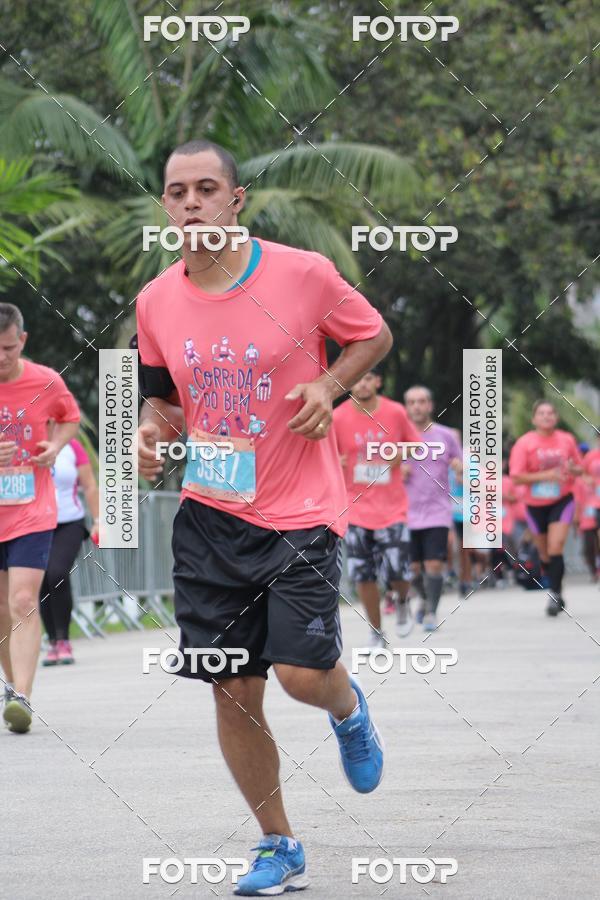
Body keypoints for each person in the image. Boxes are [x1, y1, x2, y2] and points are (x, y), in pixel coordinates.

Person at [134, 139, 393, 895]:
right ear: (166, 206)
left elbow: (372, 333)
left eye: (206, 188)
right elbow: (163, 401)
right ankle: (277, 844)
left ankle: (347, 708)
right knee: (231, 685)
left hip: (303, 511)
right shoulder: (155, 301)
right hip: (211, 511)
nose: (191, 202)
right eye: (177, 191)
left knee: (301, 676)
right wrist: (152, 437)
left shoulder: (302, 275)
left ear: (235, 200)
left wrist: (331, 387)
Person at [0, 303, 80, 733]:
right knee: (0, 607)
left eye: (8, 348)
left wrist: (55, 446)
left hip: (32, 511)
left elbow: (69, 418)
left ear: (22, 341)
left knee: (23, 601)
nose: (1, 357)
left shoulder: (46, 380)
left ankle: (23, 696)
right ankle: (11, 686)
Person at [333, 368, 420, 645]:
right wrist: (339, 462)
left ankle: (403, 601)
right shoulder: (337, 417)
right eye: (357, 378)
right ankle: (376, 631)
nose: (361, 383)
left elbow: (415, 446)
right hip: (355, 508)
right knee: (363, 573)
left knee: (397, 569)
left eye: (368, 377)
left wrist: (395, 455)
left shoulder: (395, 412)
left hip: (392, 508)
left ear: (378, 382)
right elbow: (326, 455)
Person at [509, 400, 583, 616]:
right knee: (545, 553)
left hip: (562, 499)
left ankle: (555, 594)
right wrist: (546, 475)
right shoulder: (525, 443)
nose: (546, 417)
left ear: (556, 418)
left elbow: (579, 469)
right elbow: (516, 476)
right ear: (534, 419)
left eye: (550, 413)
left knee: (556, 545)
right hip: (535, 504)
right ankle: (554, 587)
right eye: (541, 413)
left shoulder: (566, 440)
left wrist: (573, 468)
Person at [403, 386, 462, 631]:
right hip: (406, 512)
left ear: (430, 405)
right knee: (413, 567)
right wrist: (396, 469)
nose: (417, 406)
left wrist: (459, 469)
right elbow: (381, 467)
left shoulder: (446, 435)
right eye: (412, 402)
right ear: (406, 407)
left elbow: (458, 462)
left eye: (422, 401)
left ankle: (431, 613)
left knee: (434, 564)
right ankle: (425, 599)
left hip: (437, 511)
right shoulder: (397, 436)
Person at [40, 435, 99, 665]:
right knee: (43, 579)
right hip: (36, 523)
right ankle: (53, 640)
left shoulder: (72, 446)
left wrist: (98, 520)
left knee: (57, 573)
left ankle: (64, 640)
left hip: (69, 522)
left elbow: (90, 485)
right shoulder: (27, 441)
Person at [573, 475, 599, 582]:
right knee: (589, 547)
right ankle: (593, 572)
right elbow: (577, 501)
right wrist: (576, 518)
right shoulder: (579, 481)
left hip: (597, 513)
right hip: (586, 517)